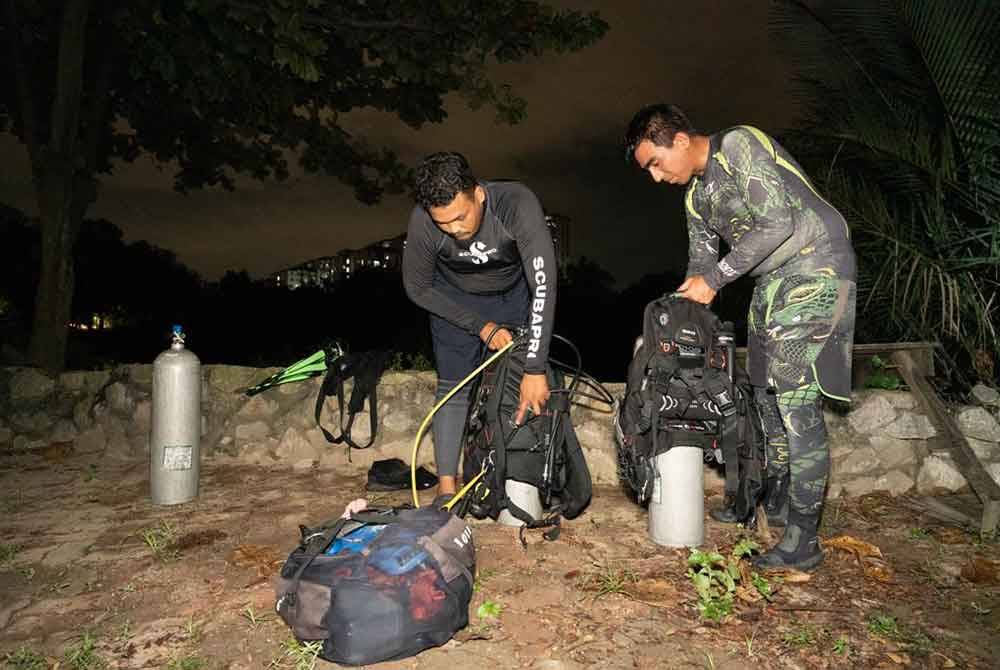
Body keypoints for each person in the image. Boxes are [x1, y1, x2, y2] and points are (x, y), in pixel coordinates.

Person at [623, 104, 857, 571]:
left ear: (682, 141)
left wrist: (716, 279)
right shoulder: (695, 198)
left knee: (795, 403)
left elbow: (778, 223)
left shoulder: (739, 145)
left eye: (655, 162)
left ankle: (803, 540)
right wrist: (676, 313)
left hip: (817, 266)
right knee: (763, 399)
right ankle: (774, 505)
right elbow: (700, 267)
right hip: (770, 282)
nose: (655, 177)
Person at [402, 152, 557, 498]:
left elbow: (544, 284)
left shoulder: (516, 204)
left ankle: (522, 479)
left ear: (479, 193)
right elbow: (417, 287)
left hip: (513, 295)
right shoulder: (424, 221)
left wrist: (534, 367)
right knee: (453, 389)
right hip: (453, 302)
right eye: (444, 223)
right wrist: (480, 326)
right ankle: (446, 491)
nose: (454, 229)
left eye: (460, 216)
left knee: (525, 382)